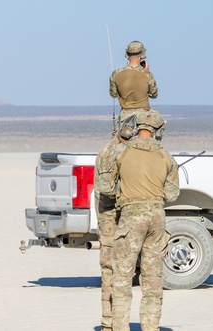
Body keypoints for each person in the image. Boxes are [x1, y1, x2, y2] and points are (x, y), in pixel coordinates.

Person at [106, 111, 179, 331]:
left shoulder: (121, 151)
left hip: (130, 217)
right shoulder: (166, 156)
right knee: (153, 279)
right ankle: (151, 327)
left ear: (137, 128)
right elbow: (172, 194)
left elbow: (107, 187)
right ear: (156, 131)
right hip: (156, 219)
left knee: (122, 278)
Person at [93, 114, 138, 331]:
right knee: (111, 270)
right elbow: (107, 190)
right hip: (111, 220)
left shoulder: (123, 150)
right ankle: (108, 323)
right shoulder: (112, 152)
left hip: (120, 219)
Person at [109, 41, 158, 122]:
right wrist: (146, 73)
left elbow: (113, 94)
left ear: (127, 55)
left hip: (125, 117)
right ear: (142, 55)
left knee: (116, 134)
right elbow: (153, 94)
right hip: (144, 116)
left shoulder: (116, 73)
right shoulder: (147, 74)